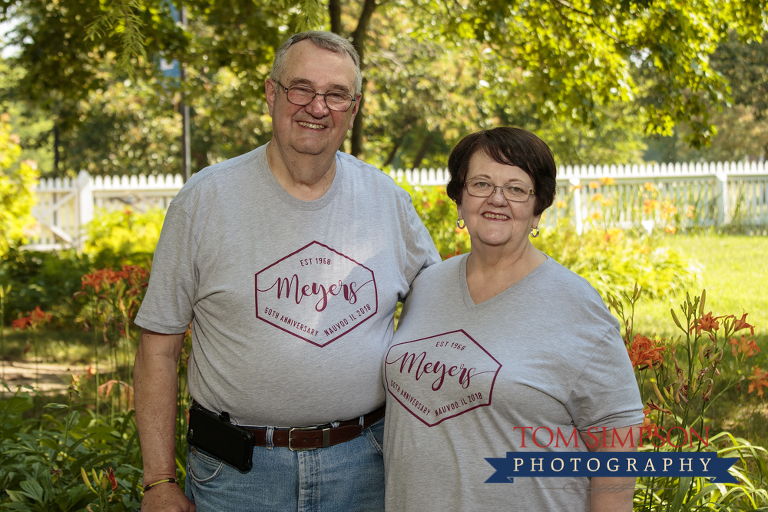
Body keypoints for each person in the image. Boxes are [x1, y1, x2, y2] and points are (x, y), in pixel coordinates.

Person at [133, 31, 440, 512]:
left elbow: (442, 316)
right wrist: (158, 481)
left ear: (353, 108)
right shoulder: (205, 200)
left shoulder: (388, 203)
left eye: (336, 94)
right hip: (236, 475)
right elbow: (158, 346)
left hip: (364, 467)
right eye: (301, 88)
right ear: (272, 93)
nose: (317, 107)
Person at [382, 127, 644, 511]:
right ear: (459, 198)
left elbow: (617, 441)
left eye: (517, 189)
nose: (497, 199)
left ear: (538, 207)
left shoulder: (575, 303)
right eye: (481, 184)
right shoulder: (427, 285)